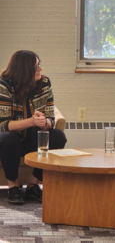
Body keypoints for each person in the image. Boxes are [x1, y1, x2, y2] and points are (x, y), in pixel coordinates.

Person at [0, 50, 67, 205]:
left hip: (34, 138)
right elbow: (3, 125)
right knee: (8, 138)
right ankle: (13, 186)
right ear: (24, 70)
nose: (40, 69)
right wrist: (31, 121)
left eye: (39, 65)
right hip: (10, 142)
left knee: (58, 136)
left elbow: (51, 118)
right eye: (36, 66)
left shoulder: (44, 83)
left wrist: (44, 123)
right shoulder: (4, 85)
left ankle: (33, 184)